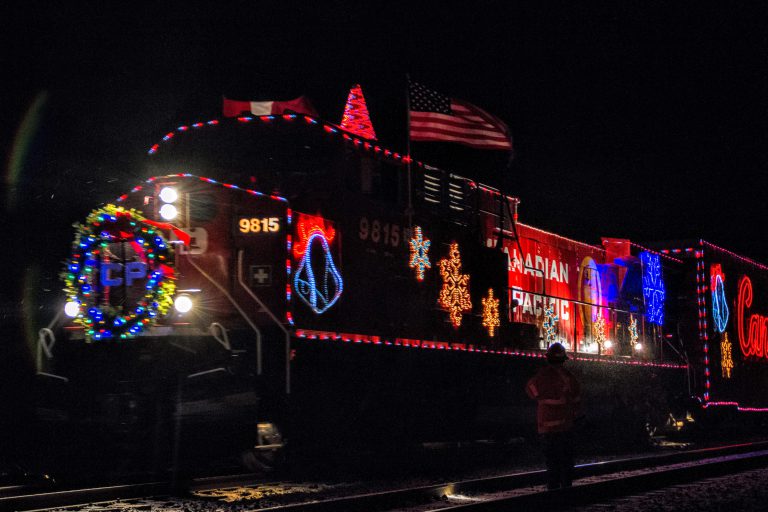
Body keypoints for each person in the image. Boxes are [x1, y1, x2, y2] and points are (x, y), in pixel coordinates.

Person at [525, 342, 582, 490]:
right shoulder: (568, 377)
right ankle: (565, 488)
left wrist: (543, 398)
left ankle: (553, 488)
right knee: (566, 461)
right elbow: (576, 397)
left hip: (546, 428)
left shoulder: (541, 375)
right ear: (563, 360)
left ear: (548, 358)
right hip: (565, 427)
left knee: (552, 462)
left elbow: (531, 390)